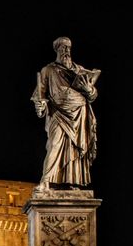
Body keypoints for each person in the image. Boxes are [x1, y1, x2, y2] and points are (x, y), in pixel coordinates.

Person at [31, 36, 101, 191]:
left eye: (68, 48)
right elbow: (40, 96)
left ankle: (72, 181)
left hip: (79, 114)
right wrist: (40, 106)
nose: (66, 51)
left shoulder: (79, 70)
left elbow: (93, 95)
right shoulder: (48, 70)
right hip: (58, 113)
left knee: (75, 149)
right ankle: (46, 181)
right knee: (54, 145)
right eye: (63, 48)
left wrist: (89, 89)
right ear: (57, 50)